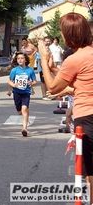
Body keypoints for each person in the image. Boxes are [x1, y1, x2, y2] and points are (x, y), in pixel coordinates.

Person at [38, 13, 93, 202]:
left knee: (90, 169)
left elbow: (53, 86)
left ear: (69, 35)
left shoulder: (74, 59)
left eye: (62, 32)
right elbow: (81, 82)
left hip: (87, 116)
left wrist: (44, 59)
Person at [8, 52, 37, 137]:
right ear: (16, 60)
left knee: (24, 109)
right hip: (17, 92)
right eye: (18, 58)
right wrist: (13, 85)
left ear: (25, 60)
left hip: (26, 93)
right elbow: (10, 80)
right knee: (20, 111)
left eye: (22, 58)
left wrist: (32, 83)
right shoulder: (14, 70)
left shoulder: (30, 70)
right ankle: (25, 113)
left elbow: (35, 81)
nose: (20, 60)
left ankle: (24, 128)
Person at [35, 36, 52, 100]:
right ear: (44, 42)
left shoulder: (49, 48)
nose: (48, 42)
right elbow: (40, 60)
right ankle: (44, 95)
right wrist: (43, 69)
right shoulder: (41, 49)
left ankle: (49, 94)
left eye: (49, 41)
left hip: (48, 67)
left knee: (48, 81)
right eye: (46, 41)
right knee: (43, 82)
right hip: (43, 68)